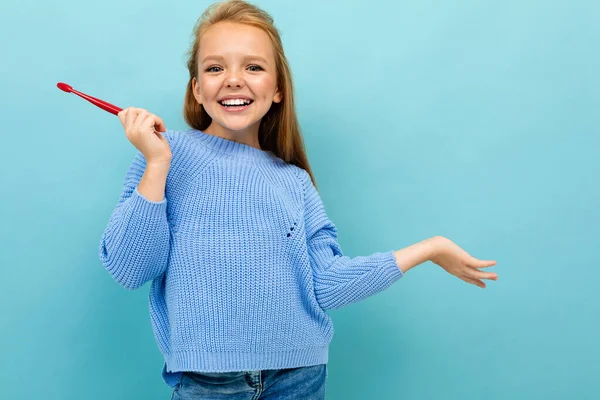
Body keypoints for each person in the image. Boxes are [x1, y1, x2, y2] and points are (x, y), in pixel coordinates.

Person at [98, 0, 499, 398]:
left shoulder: (295, 182)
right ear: (197, 89)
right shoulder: (165, 155)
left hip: (300, 377)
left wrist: (430, 248)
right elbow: (130, 268)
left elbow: (325, 284)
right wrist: (155, 163)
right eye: (215, 67)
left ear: (277, 90)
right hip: (208, 382)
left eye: (253, 67)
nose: (234, 79)